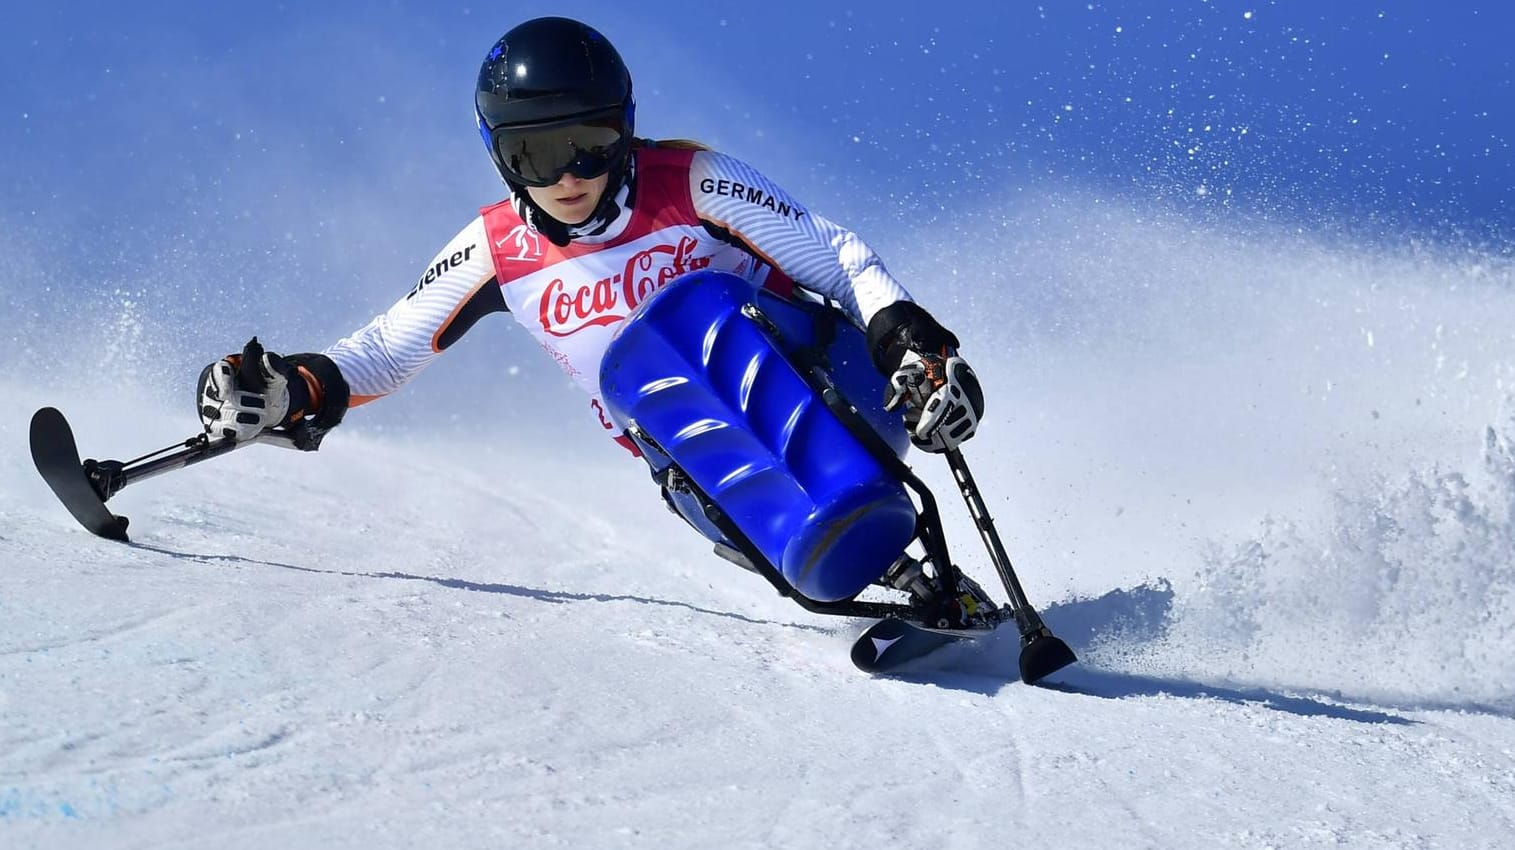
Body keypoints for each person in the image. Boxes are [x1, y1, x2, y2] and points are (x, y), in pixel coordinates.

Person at [197, 16, 985, 596]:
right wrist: (290, 388)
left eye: (590, 143)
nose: (568, 174)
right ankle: (895, 575)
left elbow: (836, 255)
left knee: (691, 314)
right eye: (534, 154)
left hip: (837, 393)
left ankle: (855, 515)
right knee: (638, 371)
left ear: (625, 131)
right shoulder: (496, 252)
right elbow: (386, 347)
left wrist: (915, 350)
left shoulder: (691, 182)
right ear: (500, 155)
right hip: (722, 477)